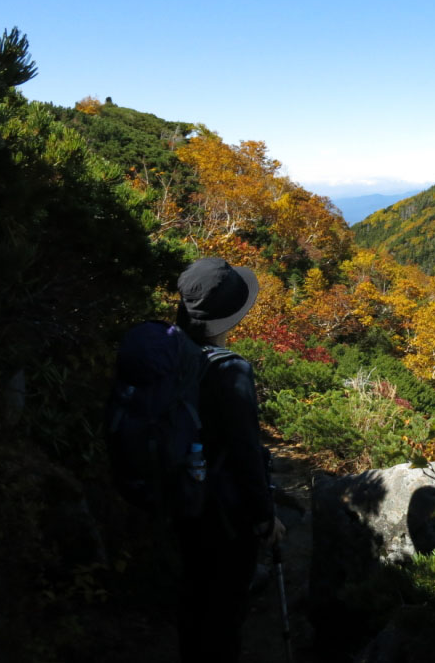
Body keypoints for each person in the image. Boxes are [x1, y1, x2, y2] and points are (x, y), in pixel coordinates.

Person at [173, 256, 286, 662]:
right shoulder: (230, 369)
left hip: (173, 498)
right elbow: (245, 453)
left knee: (192, 605)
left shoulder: (169, 351)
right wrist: (264, 517)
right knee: (223, 616)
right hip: (221, 513)